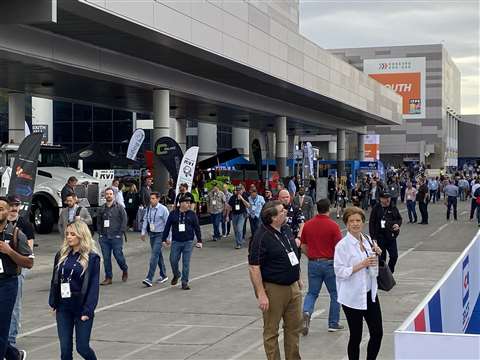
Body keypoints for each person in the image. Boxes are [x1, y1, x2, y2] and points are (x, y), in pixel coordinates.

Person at [248, 200, 302, 360]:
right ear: (272, 218)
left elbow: (292, 253)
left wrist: (298, 276)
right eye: (281, 211)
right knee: (272, 331)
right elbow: (254, 267)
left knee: (293, 328)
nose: (285, 212)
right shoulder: (261, 236)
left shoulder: (285, 229)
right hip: (274, 288)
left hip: (293, 286)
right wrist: (261, 293)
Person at [334, 207, 383, 360]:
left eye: (358, 221)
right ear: (346, 224)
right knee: (356, 336)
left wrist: (377, 252)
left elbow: (374, 262)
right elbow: (339, 272)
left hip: (370, 293)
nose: (355, 224)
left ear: (363, 222)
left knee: (377, 333)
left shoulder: (368, 239)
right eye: (351, 221)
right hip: (352, 297)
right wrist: (361, 265)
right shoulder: (342, 246)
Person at [49, 220, 100, 360]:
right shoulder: (61, 255)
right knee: (65, 350)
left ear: (81, 235)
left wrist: (88, 310)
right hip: (63, 307)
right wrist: (53, 302)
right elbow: (54, 280)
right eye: (67, 234)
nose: (69, 237)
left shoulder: (92, 258)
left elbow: (93, 287)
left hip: (81, 306)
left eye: (72, 234)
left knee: (82, 347)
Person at [301, 199, 343, 335]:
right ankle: (333, 323)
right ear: (328, 209)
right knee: (335, 293)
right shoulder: (333, 226)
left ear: (316, 209)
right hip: (330, 262)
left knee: (312, 293)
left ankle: (306, 312)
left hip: (313, 262)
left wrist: (311, 257)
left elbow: (303, 246)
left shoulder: (307, 225)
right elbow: (340, 248)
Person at [0, 197, 34, 360]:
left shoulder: (16, 234)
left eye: (1, 209)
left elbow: (29, 262)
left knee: (1, 328)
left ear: (7, 212)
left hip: (7, 284)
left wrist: (9, 251)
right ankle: (15, 355)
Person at [162, 195, 202, 290]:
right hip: (176, 241)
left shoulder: (192, 214)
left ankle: (185, 282)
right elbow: (167, 227)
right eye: (187, 203)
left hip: (188, 242)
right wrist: (164, 239)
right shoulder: (173, 214)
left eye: (189, 203)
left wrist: (199, 240)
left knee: (186, 262)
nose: (189, 204)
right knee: (173, 260)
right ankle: (177, 274)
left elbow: (197, 228)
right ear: (181, 203)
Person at [97, 188, 128, 285]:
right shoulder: (101, 208)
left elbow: (124, 220)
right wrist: (100, 234)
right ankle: (108, 277)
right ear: (105, 196)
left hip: (116, 237)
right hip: (104, 238)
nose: (109, 195)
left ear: (114, 195)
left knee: (118, 256)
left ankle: (124, 269)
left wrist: (120, 233)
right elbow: (98, 222)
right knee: (106, 258)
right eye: (107, 194)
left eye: (110, 194)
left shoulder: (119, 207)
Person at [141, 192, 170, 287]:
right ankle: (163, 274)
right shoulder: (149, 208)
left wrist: (168, 238)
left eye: (153, 198)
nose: (151, 200)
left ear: (158, 199)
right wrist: (143, 232)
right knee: (158, 254)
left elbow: (168, 224)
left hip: (160, 234)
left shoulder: (163, 209)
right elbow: (145, 219)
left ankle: (149, 278)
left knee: (154, 255)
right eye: (151, 198)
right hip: (152, 234)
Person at [369, 192, 402, 274]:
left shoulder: (393, 207)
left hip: (391, 236)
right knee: (381, 259)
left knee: (394, 256)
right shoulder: (376, 208)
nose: (387, 200)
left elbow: (399, 219)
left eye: (389, 198)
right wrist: (373, 238)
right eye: (385, 198)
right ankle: (383, 276)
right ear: (381, 199)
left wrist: (397, 224)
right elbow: (371, 223)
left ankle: (390, 272)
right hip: (380, 237)